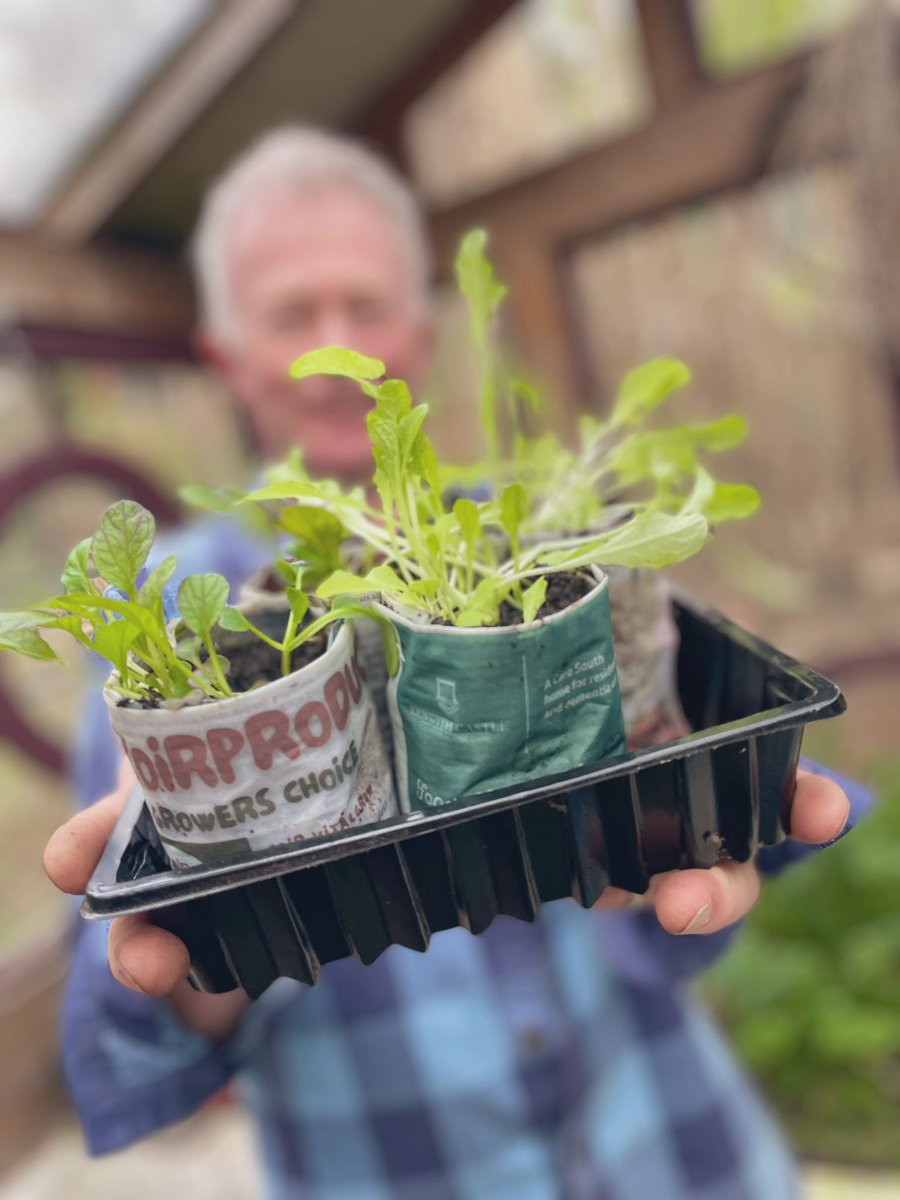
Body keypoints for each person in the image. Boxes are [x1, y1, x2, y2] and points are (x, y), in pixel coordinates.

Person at [44, 127, 870, 1199]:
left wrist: (696, 817)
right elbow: (134, 1029)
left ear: (427, 326)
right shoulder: (167, 612)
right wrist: (204, 928)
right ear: (227, 355)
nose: (337, 346)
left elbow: (709, 853)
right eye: (293, 315)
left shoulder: (540, 539)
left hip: (679, 1150)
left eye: (369, 304)